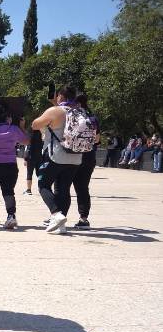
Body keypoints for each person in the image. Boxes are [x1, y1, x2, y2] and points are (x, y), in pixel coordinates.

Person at [32, 85, 83, 234]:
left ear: (60, 96)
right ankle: (61, 225)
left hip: (56, 155)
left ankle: (56, 214)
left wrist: (51, 109)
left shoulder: (55, 111)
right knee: (63, 189)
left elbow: (35, 125)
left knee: (43, 185)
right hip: (75, 156)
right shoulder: (80, 111)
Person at [71, 93, 100, 229]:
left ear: (77, 103)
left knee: (62, 186)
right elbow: (98, 140)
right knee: (83, 188)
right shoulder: (93, 118)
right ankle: (84, 218)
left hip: (72, 156)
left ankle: (58, 215)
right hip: (89, 157)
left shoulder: (73, 116)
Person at [23, 129, 43, 195]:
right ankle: (42, 188)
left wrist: (25, 158)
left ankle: (29, 190)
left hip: (31, 158)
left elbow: (28, 148)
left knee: (29, 173)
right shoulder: (40, 139)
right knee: (39, 174)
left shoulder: (30, 138)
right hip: (39, 157)